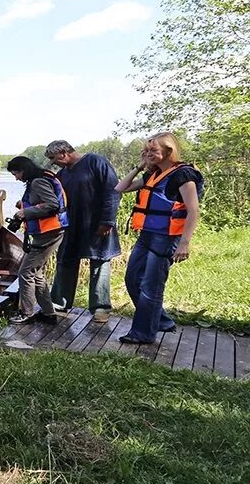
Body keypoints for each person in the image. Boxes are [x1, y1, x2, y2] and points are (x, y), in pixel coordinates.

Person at [115, 132, 203, 344]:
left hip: (166, 238)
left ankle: (143, 333)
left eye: (153, 151)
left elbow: (193, 210)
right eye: (146, 151)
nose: (149, 154)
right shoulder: (152, 175)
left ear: (168, 151)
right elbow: (120, 188)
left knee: (151, 286)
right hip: (146, 235)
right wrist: (140, 166)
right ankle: (161, 320)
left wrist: (184, 242)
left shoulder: (183, 175)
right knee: (132, 279)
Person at [44, 140, 121, 323]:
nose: (53, 163)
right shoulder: (63, 174)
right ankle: (60, 303)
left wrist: (107, 221)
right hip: (72, 226)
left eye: (54, 159)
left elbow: (113, 191)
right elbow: (56, 199)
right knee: (65, 261)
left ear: (64, 153)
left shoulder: (95, 162)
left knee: (99, 263)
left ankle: (100, 308)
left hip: (98, 225)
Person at [6, 156, 68, 325]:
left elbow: (52, 204)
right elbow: (43, 202)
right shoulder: (39, 179)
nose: (16, 178)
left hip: (49, 233)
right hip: (49, 232)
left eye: (16, 173)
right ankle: (48, 313)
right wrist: (24, 205)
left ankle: (27, 314)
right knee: (37, 273)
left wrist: (25, 213)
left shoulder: (37, 182)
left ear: (23, 170)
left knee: (25, 272)